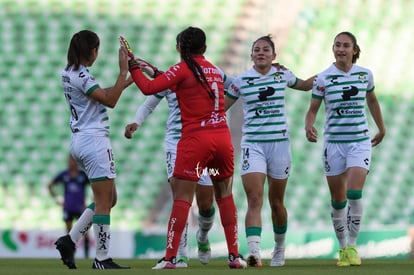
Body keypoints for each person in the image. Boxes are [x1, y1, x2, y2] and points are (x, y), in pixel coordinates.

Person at [121, 26, 246, 269]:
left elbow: (148, 88)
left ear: (179, 48)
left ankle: (170, 258)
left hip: (195, 141)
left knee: (182, 199)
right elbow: (187, 84)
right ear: (205, 48)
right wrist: (155, 71)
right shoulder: (213, 69)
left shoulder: (181, 68)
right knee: (226, 197)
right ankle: (234, 256)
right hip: (222, 138)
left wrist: (132, 66)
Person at [225, 35, 314, 267]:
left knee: (277, 202)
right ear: (251, 55)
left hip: (279, 146)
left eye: (266, 49)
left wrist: (328, 76)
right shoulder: (242, 81)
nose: (261, 52)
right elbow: (221, 107)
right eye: (257, 49)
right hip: (252, 145)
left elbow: (304, 85)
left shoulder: (282, 74)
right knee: (254, 199)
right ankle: (254, 253)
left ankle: (279, 249)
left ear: (274, 56)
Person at [304, 31, 385, 267]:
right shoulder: (323, 78)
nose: (340, 49)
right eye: (337, 45)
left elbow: (372, 100)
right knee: (338, 200)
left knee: (354, 193)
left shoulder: (364, 75)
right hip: (333, 144)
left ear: (354, 50)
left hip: (359, 141)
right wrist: (309, 126)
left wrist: (381, 127)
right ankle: (341, 247)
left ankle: (352, 246)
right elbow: (312, 109)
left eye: (345, 45)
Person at [54, 30, 132, 269]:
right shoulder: (82, 75)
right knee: (103, 202)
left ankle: (70, 239)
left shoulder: (69, 73)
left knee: (109, 199)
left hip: (79, 141)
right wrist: (122, 71)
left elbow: (100, 94)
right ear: (93, 51)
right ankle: (101, 258)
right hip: (95, 142)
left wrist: (128, 81)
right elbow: (110, 100)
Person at [48, 154, 90, 258]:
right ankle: (70, 257)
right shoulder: (64, 174)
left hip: (80, 208)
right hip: (68, 207)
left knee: (85, 233)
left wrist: (92, 200)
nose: (71, 162)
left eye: (73, 160)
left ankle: (86, 256)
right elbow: (50, 186)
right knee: (69, 235)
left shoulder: (82, 175)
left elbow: (95, 186)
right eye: (69, 160)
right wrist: (56, 199)